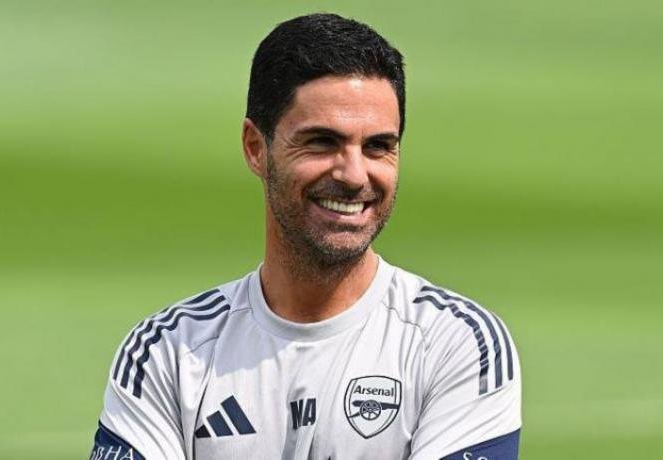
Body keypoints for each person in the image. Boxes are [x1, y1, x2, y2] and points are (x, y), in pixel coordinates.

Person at [90, 13, 521, 460]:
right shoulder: (169, 353)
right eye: (321, 142)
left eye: (378, 146)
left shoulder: (456, 343)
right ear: (256, 148)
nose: (354, 175)